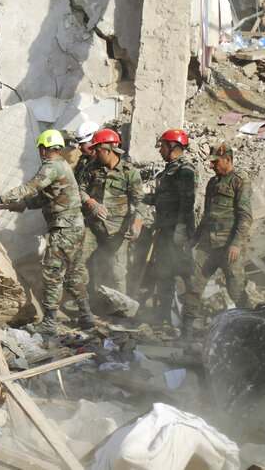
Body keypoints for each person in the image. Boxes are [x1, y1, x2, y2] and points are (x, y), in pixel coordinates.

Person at [0, 130, 94, 336]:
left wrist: (1, 199)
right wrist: (23, 205)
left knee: (52, 274)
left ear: (44, 149)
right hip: (74, 227)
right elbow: (45, 198)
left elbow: (31, 187)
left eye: (41, 149)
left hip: (63, 228)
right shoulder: (62, 166)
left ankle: (50, 323)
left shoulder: (52, 166)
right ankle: (87, 316)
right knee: (72, 275)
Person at [181, 143, 253, 339]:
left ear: (227, 160)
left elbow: (245, 217)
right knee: (194, 287)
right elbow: (206, 216)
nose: (211, 166)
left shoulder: (240, 182)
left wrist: (236, 243)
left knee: (237, 291)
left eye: (215, 162)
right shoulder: (212, 183)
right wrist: (194, 239)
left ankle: (251, 329)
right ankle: (185, 333)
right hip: (207, 246)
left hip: (229, 248)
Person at [79, 128, 144, 299]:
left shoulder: (130, 173)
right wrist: (90, 202)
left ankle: (120, 307)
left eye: (98, 150)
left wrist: (137, 222)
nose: (95, 153)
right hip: (93, 227)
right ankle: (87, 303)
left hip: (117, 231)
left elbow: (140, 202)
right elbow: (80, 190)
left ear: (108, 150)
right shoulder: (92, 168)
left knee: (117, 271)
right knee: (83, 262)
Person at [145, 129, 197, 323]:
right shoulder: (170, 168)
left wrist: (181, 233)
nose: (160, 151)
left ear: (172, 146)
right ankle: (163, 317)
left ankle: (191, 319)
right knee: (164, 272)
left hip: (178, 232)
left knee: (185, 274)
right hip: (166, 231)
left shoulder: (184, 169)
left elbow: (187, 203)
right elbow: (164, 198)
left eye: (162, 146)